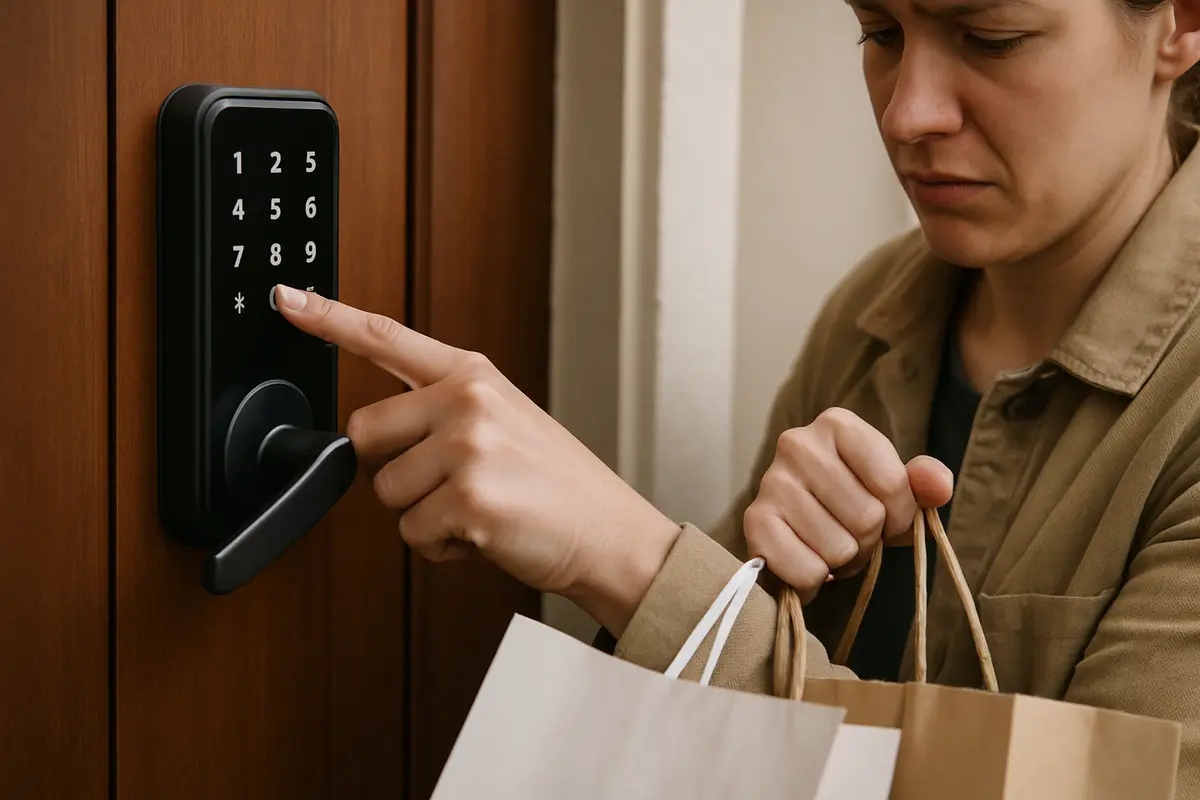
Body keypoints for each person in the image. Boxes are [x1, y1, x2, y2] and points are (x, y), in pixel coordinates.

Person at [272, 0, 1200, 792]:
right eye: (878, 32)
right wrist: (774, 586)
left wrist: (627, 556)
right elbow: (688, 744)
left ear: (1179, 24)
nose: (909, 111)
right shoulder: (877, 316)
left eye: (990, 36)